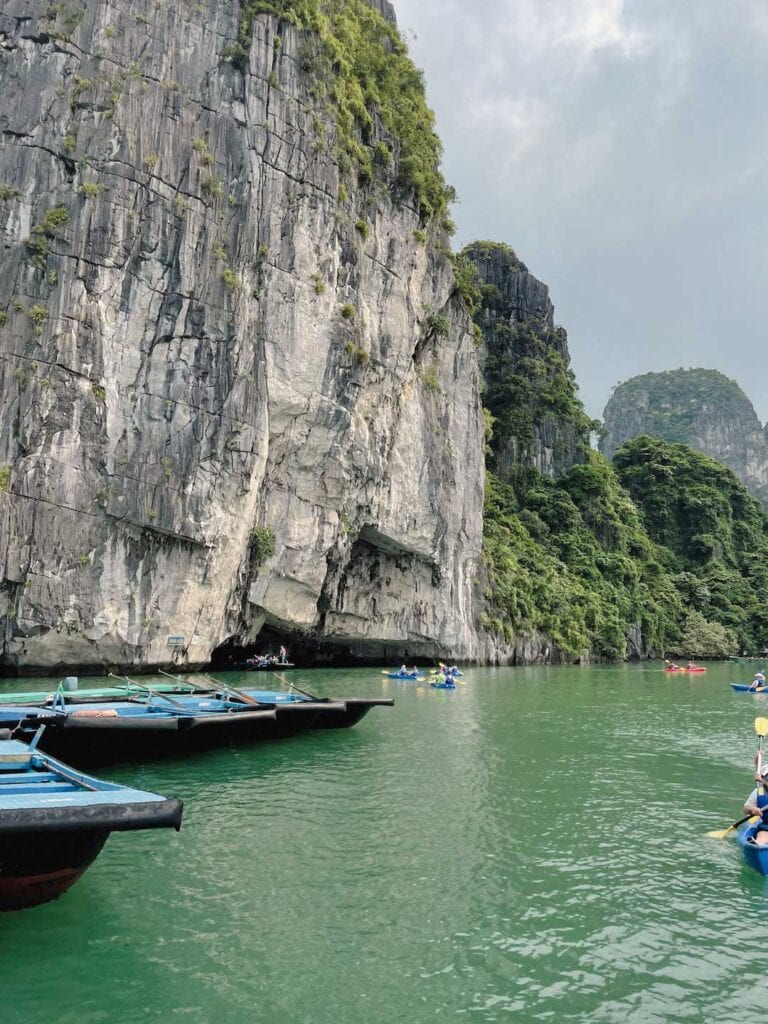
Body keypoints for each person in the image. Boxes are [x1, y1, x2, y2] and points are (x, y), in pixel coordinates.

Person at [743, 767, 768, 845]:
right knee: (762, 836)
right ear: (763, 780)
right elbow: (745, 809)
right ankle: (758, 844)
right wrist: (753, 809)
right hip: (766, 828)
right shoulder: (758, 792)